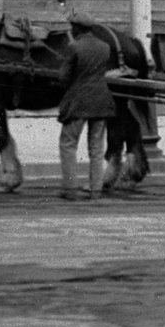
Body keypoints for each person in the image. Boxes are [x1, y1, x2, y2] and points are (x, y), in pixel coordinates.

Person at [58, 18, 117, 202]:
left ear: (78, 29)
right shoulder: (105, 47)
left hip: (78, 102)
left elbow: (64, 77)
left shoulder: (74, 47)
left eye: (73, 28)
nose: (71, 30)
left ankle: (70, 188)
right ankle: (96, 190)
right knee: (96, 148)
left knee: (68, 144)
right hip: (101, 100)